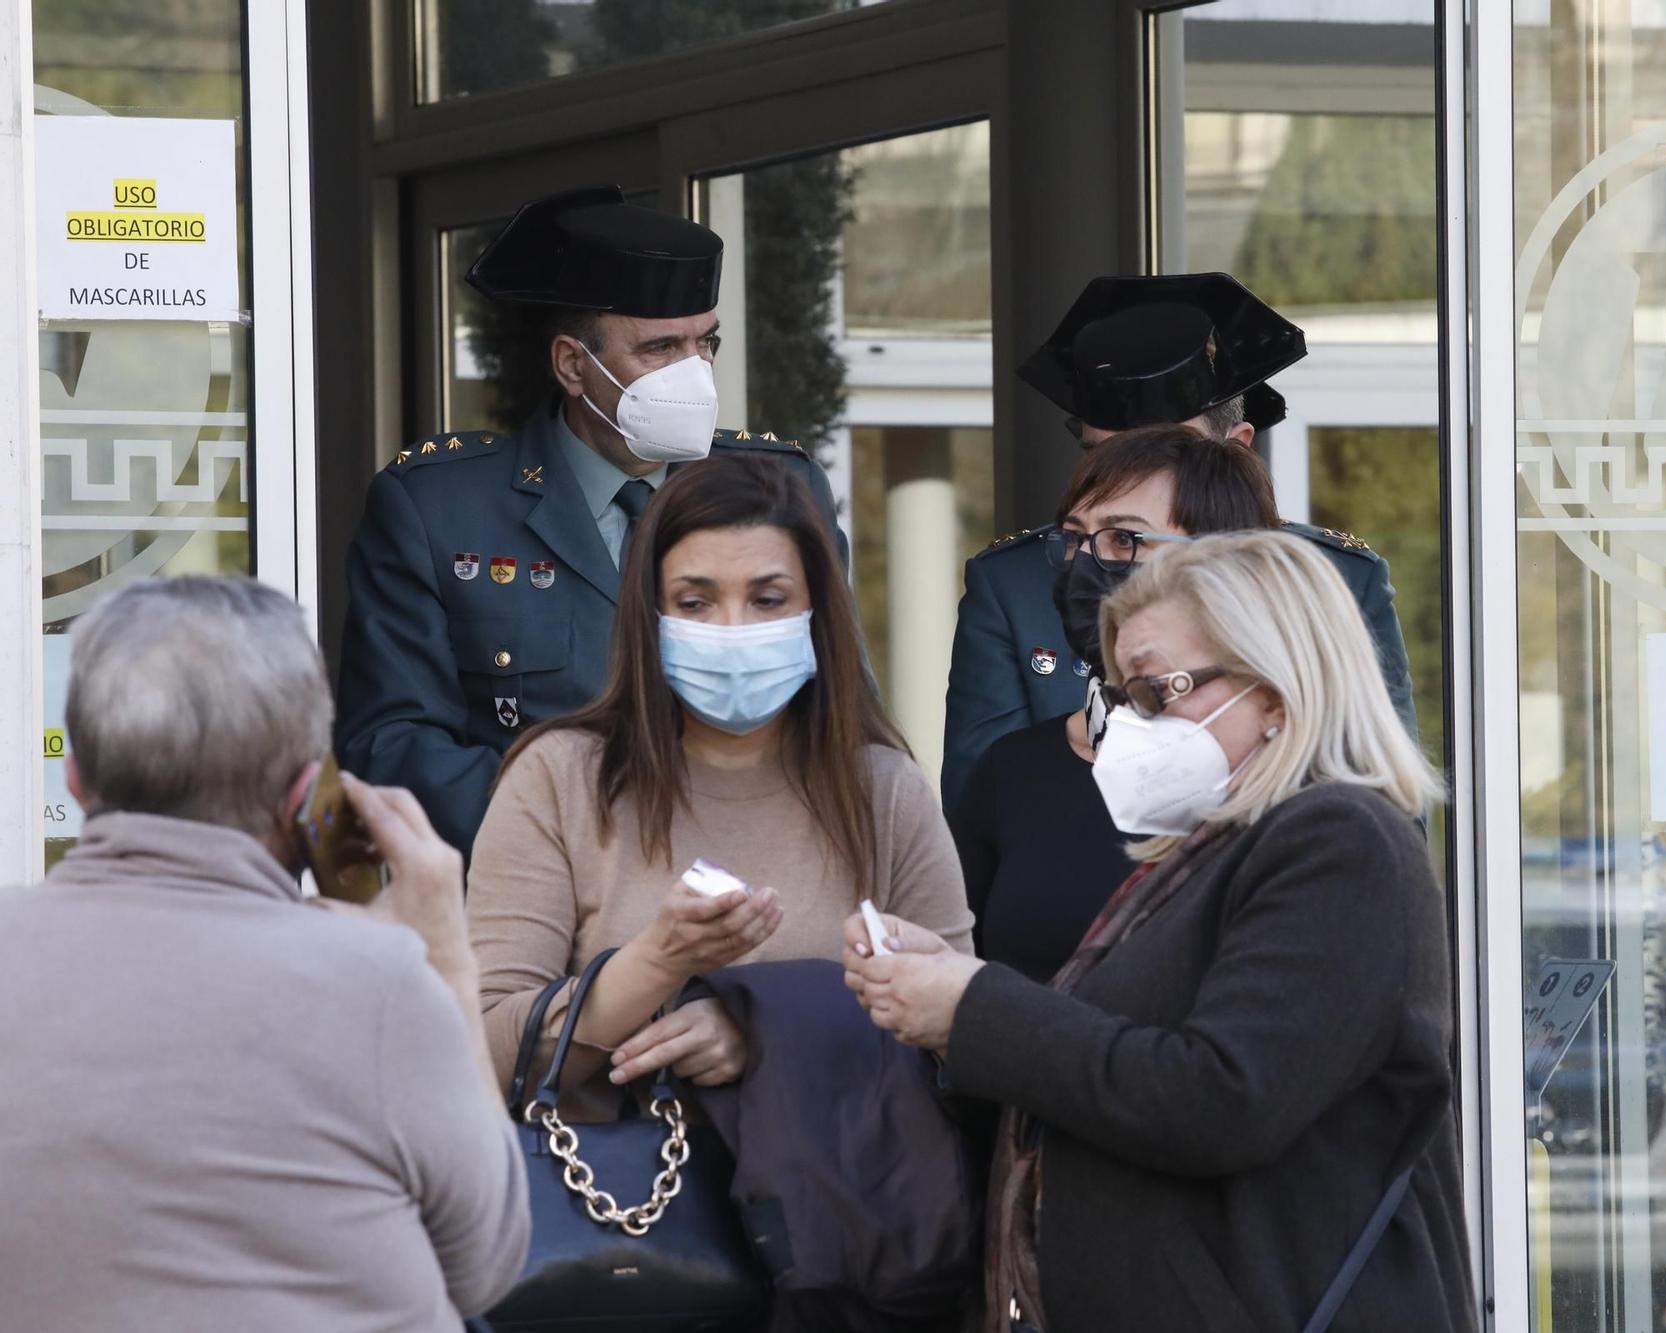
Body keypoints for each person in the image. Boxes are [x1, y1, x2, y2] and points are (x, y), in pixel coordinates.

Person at [848, 532, 1474, 1333]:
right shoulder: (1210, 854)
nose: (1125, 729)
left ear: (1276, 692)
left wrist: (974, 1005)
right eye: (1118, 699)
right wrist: (953, 988)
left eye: (1153, 694)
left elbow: (1221, 1096)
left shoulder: (1340, 844)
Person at [0, 576, 528, 1331]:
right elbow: (489, 1264)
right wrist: (445, 957)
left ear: (76, 781)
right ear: (308, 798)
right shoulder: (378, 983)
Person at [337, 185, 846, 856]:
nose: (694, 373)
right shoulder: (440, 510)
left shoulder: (779, 489)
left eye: (705, 342)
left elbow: (841, 710)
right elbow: (392, 748)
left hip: (750, 873)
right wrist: (591, 819)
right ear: (574, 365)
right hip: (536, 896)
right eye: (661, 348)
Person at [469, 454, 973, 1122]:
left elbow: (959, 1032)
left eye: (767, 599)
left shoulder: (883, 790)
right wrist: (658, 961)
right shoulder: (558, 778)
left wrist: (766, 1027)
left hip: (837, 1210)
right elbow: (484, 1052)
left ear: (816, 610)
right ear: (649, 614)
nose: (732, 629)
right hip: (615, 1210)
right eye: (695, 601)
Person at [939, 271, 1416, 811]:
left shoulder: (1337, 582)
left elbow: (1387, 811)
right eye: (1100, 454)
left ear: (1233, 452)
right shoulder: (1016, 584)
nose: (1123, 478)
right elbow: (977, 825)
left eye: (1163, 454)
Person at [950, 423, 1281, 984]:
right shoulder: (1012, 772)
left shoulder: (1297, 792)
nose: (1088, 563)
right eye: (1077, 537)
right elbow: (956, 984)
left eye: (1125, 539)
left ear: (1220, 563)